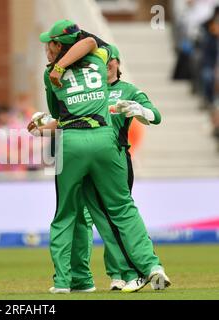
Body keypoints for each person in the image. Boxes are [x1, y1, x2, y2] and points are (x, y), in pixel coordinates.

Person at [34, 20, 170, 294]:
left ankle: (117, 273)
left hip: (95, 150)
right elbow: (91, 42)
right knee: (112, 212)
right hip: (104, 147)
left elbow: (155, 115)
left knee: (94, 213)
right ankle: (131, 271)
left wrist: (139, 111)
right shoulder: (95, 59)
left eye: (51, 45)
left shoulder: (56, 73)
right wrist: (46, 124)